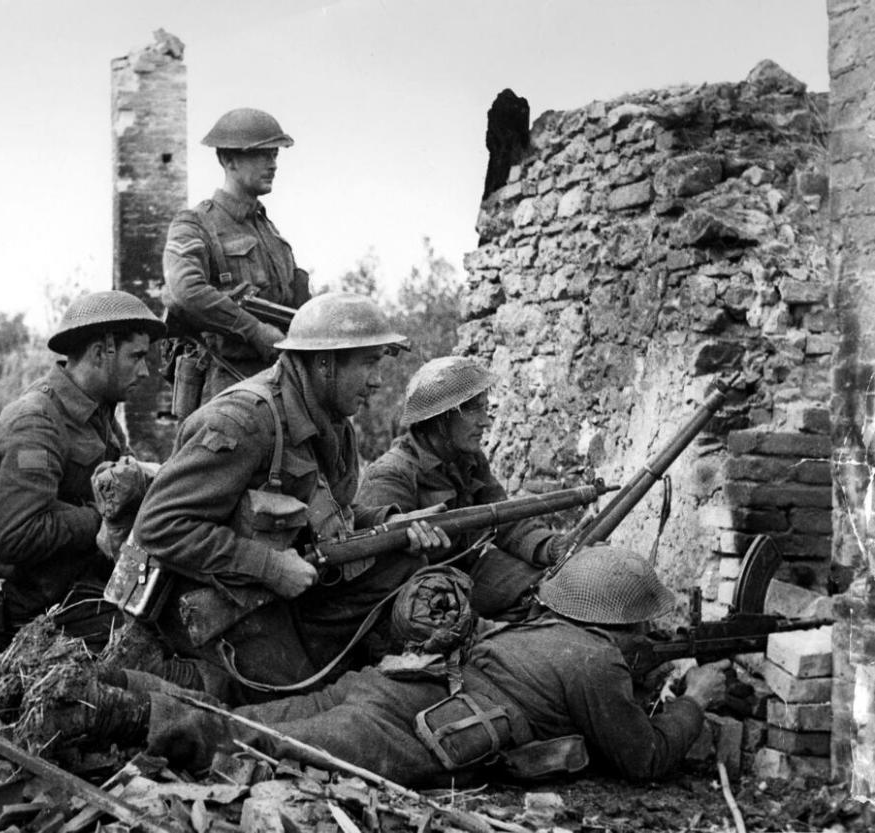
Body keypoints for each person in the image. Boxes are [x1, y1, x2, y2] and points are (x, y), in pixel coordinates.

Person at [42, 545, 730, 788]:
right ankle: (110, 709)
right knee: (257, 741)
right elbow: (641, 758)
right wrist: (694, 696)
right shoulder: (597, 662)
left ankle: (107, 684)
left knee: (251, 721)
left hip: (394, 680)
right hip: (420, 727)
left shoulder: (544, 622)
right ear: (625, 623)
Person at [113, 293, 450, 702]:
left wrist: (389, 523)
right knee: (297, 703)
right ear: (325, 364)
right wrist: (270, 566)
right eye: (369, 362)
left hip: (276, 586)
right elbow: (158, 527)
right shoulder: (244, 422)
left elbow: (332, 510)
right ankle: (175, 674)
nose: (377, 380)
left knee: (402, 561)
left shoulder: (333, 422)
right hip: (207, 601)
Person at [0, 291, 165, 644]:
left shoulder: (97, 414)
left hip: (58, 582)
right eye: (138, 356)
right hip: (11, 605)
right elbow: (15, 535)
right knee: (145, 642)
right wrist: (103, 520)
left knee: (164, 606)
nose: (145, 371)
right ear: (102, 352)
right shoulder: (36, 423)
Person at [357, 356, 568, 618]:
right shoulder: (390, 476)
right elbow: (377, 577)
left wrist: (554, 547)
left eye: (484, 408)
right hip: (417, 600)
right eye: (473, 410)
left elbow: (505, 518)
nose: (485, 422)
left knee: (553, 586)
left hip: (466, 575)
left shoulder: (467, 459)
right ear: (440, 419)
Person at [162, 108, 311, 414]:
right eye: (262, 155)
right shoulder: (194, 224)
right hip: (222, 389)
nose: (273, 164)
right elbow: (184, 291)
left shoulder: (270, 232)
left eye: (275, 154)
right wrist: (255, 331)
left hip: (275, 386)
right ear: (228, 160)